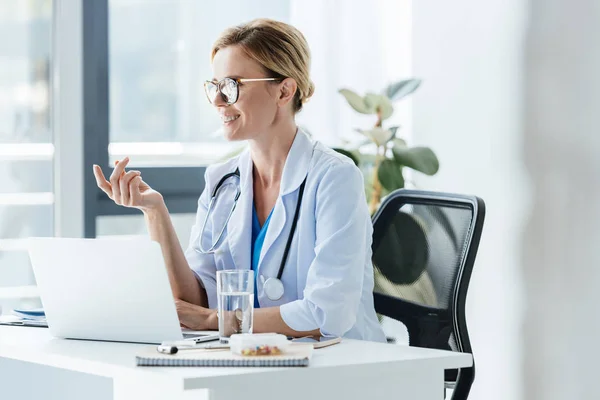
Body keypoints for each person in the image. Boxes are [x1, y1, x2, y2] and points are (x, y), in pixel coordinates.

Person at [93, 18, 385, 342]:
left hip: (343, 367)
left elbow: (327, 313)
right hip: (256, 361)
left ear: (284, 91)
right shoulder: (222, 180)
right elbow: (193, 302)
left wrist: (214, 319)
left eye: (232, 85)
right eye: (214, 86)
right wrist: (154, 211)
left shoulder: (334, 178)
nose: (218, 101)